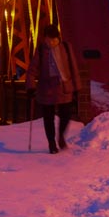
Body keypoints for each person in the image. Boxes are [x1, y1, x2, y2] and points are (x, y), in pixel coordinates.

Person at [26, 24, 81, 154]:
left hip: (63, 86)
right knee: (48, 117)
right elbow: (32, 70)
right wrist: (31, 87)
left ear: (58, 38)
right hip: (46, 87)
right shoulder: (40, 50)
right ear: (44, 39)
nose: (51, 42)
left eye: (53, 39)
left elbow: (73, 67)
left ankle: (61, 136)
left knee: (66, 114)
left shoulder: (66, 47)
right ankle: (51, 143)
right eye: (48, 39)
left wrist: (77, 87)